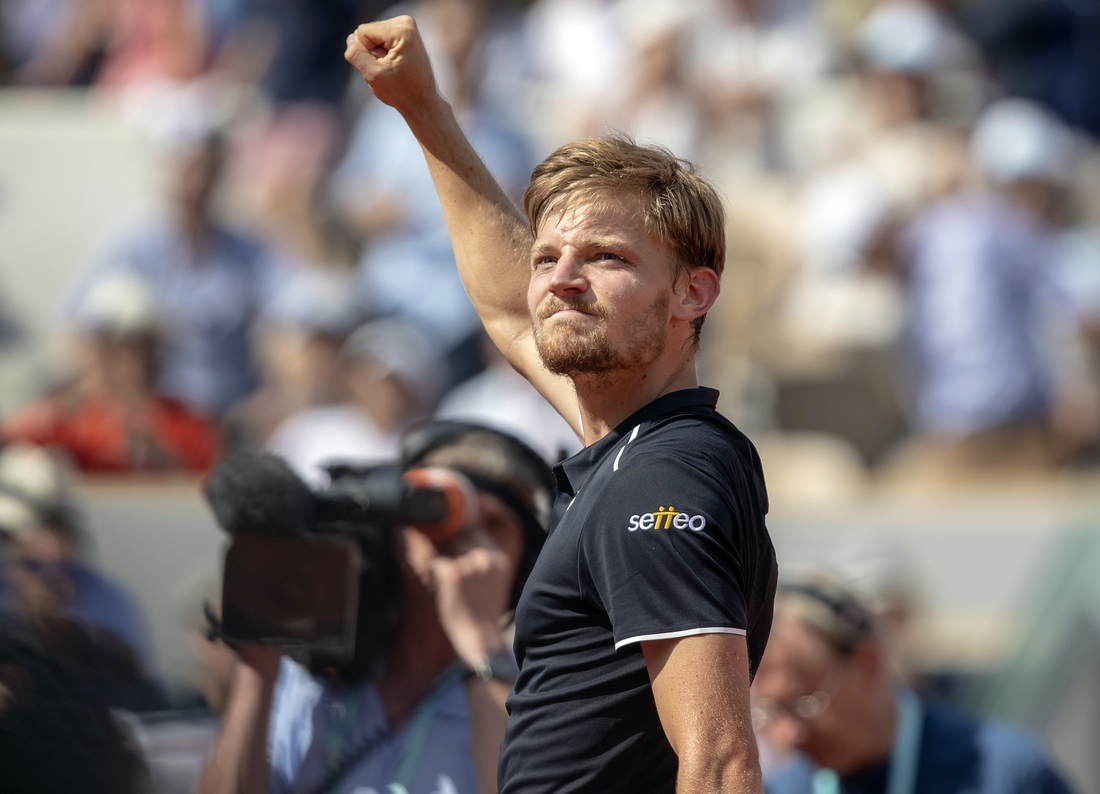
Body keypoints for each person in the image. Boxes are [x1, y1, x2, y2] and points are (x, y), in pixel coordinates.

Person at [345, 15, 777, 793]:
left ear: (693, 291)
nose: (560, 280)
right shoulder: (634, 445)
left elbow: (718, 764)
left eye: (605, 257)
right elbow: (514, 310)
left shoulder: (662, 478)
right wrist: (422, 107)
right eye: (548, 258)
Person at [195, 422, 555, 794]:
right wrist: (258, 669)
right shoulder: (315, 674)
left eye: (494, 525)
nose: (463, 542)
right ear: (395, 532)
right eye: (435, 514)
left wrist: (482, 644)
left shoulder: (536, 696)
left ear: (527, 565)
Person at [754, 571, 1074, 794]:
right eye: (768, 713)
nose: (789, 735)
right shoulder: (784, 788)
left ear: (867, 662)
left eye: (802, 705)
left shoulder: (1004, 774)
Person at [6, 273, 221, 473]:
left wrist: (167, 467)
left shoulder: (185, 424)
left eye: (140, 346)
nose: (132, 363)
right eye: (112, 347)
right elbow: (11, 441)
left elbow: (208, 482)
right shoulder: (61, 420)